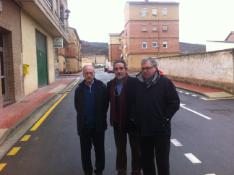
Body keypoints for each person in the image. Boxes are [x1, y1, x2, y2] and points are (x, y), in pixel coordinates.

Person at [135, 57, 180, 175]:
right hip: (144, 131)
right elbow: (133, 103)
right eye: (143, 68)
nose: (145, 71)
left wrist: (165, 118)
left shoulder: (165, 83)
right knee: (146, 161)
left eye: (148, 68)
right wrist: (135, 120)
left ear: (155, 68)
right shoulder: (137, 83)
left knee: (162, 162)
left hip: (161, 130)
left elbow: (174, 102)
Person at [107, 60, 141, 175]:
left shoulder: (135, 82)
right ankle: (121, 170)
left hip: (133, 123)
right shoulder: (110, 84)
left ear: (125, 69)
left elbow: (140, 102)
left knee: (136, 149)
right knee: (120, 149)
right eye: (116, 69)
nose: (118, 71)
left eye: (121, 68)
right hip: (118, 122)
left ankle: (136, 170)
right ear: (113, 70)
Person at [74, 65, 108, 175]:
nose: (89, 75)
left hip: (98, 126)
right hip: (84, 127)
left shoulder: (101, 87)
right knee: (85, 153)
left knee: (100, 151)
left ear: (94, 73)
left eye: (91, 73)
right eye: (86, 73)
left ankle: (99, 171)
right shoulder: (79, 89)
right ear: (83, 74)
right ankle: (87, 171)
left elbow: (105, 105)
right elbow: (77, 106)